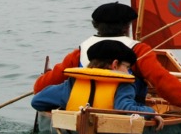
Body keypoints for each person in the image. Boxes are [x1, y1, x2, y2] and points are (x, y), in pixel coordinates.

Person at [33, 2, 181, 115]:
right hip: (126, 112)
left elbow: (40, 89)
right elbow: (162, 81)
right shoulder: (138, 50)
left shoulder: (80, 51)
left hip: (82, 113)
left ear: (96, 26)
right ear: (127, 27)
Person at [31, 40, 165, 129]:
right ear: (115, 64)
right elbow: (125, 109)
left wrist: (63, 106)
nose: (129, 71)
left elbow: (37, 102)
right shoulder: (124, 85)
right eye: (127, 67)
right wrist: (151, 112)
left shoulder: (74, 82)